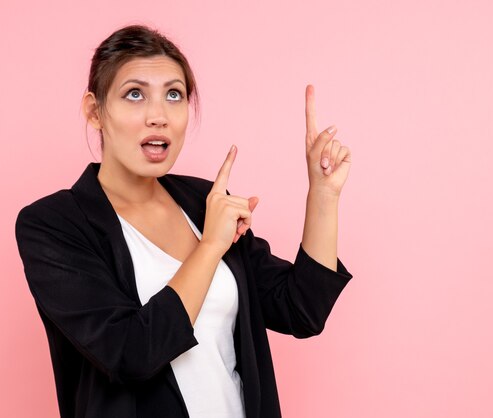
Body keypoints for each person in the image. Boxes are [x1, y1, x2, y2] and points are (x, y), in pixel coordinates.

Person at [14, 24, 353, 418]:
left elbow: (301, 310)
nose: (158, 116)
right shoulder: (53, 225)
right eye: (135, 94)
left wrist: (324, 195)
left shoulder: (204, 201)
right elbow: (130, 354)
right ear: (95, 111)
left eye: (174, 95)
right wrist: (210, 248)